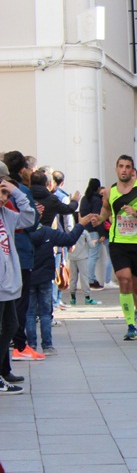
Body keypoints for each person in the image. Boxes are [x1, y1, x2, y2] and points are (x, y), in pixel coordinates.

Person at [99, 154, 137, 341]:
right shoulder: (109, 191)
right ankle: (131, 325)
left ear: (132, 170)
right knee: (124, 281)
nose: (124, 170)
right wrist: (99, 219)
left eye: (128, 167)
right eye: (121, 166)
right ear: (116, 169)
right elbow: (107, 210)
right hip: (119, 243)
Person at [25, 213, 98, 355]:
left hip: (28, 276)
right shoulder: (47, 232)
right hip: (45, 277)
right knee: (46, 313)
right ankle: (47, 346)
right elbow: (69, 239)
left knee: (30, 313)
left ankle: (31, 345)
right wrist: (80, 224)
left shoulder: (22, 235)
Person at [4, 151, 43, 362]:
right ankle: (19, 345)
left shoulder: (12, 203)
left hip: (12, 254)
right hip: (20, 254)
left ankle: (15, 347)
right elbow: (32, 221)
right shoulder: (21, 191)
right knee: (18, 305)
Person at [0, 172, 36, 393]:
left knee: (11, 326)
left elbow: (29, 217)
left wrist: (16, 192)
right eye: (2, 193)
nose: (3, 198)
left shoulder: (6, 215)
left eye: (5, 194)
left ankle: (3, 371)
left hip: (7, 284)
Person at [79, 179, 108, 291]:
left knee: (87, 256)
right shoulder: (96, 200)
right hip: (93, 231)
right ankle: (90, 279)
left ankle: (88, 279)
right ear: (98, 188)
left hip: (84, 229)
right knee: (93, 255)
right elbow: (97, 217)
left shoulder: (84, 199)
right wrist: (102, 233)